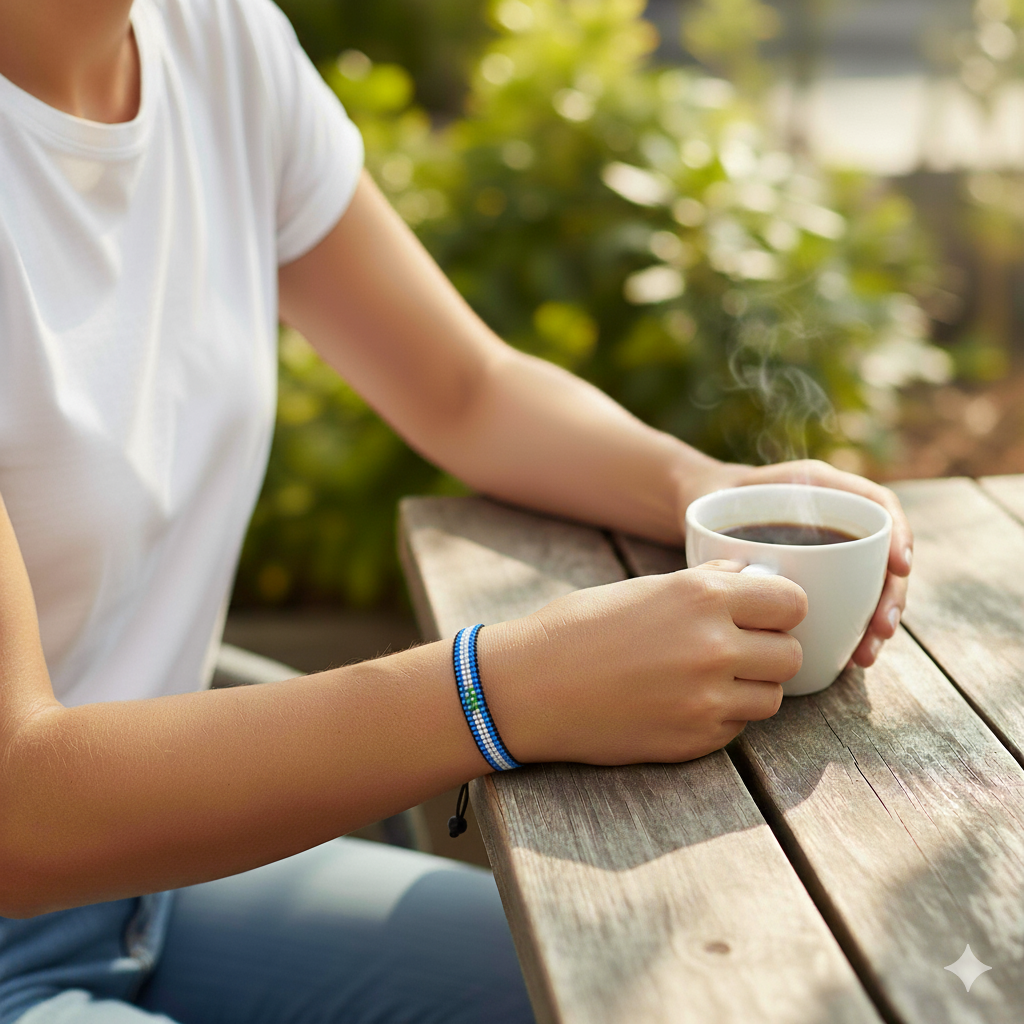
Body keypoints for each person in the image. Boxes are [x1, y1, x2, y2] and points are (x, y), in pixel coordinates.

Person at [0, 0, 912, 1021]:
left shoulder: (216, 41)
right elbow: (17, 810)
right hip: (39, 879)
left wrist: (698, 485)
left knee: (688, 991)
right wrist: (502, 689)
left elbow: (460, 387)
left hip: (153, 886)